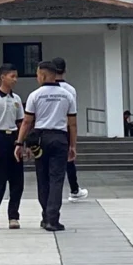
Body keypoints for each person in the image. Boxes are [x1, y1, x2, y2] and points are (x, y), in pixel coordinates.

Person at [25, 58, 79, 232]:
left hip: (41, 138)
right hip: (60, 138)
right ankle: (52, 219)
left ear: (43, 75)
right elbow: (72, 124)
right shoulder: (68, 94)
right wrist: (73, 146)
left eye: (38, 74)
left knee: (43, 178)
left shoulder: (35, 95)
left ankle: (45, 216)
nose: (37, 77)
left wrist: (21, 142)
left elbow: (27, 121)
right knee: (57, 179)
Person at [0, 65, 26, 229]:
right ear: (3, 77)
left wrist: (22, 143)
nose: (15, 79)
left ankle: (13, 216)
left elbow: (21, 122)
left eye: (16, 76)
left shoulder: (16, 99)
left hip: (14, 138)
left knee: (17, 182)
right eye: (12, 76)